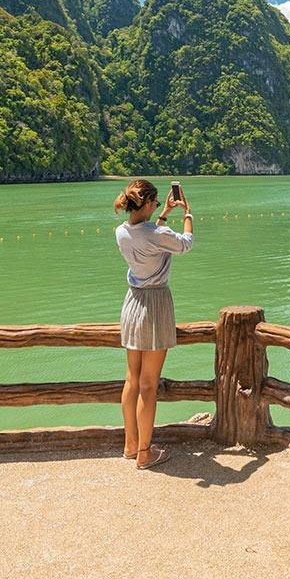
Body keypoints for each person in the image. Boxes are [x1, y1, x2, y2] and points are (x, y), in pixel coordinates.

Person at [112, 178, 194, 470]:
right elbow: (185, 244)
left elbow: (148, 236)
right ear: (146, 203)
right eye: (156, 202)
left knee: (132, 380)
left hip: (132, 303)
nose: (158, 206)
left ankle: (130, 445)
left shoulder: (121, 232)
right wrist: (187, 213)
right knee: (149, 385)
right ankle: (145, 453)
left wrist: (164, 214)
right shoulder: (158, 234)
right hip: (155, 305)